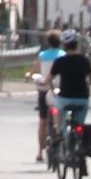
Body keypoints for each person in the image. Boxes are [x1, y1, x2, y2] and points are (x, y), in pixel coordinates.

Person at [49, 31, 91, 156]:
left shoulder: (60, 61)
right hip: (82, 99)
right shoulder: (85, 61)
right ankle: (79, 142)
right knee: (79, 125)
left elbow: (49, 79)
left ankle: (59, 132)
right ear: (77, 44)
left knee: (57, 106)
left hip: (65, 98)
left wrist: (42, 82)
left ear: (64, 45)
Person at [31, 30, 65, 162]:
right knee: (59, 117)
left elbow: (35, 69)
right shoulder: (63, 55)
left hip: (44, 88)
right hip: (59, 88)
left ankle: (40, 152)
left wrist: (29, 75)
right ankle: (59, 138)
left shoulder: (42, 55)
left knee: (43, 121)